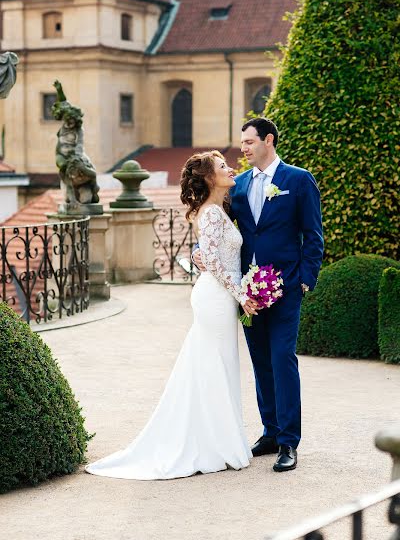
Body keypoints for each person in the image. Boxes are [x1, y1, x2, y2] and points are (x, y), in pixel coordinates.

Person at [85, 150, 257, 480]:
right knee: (214, 366)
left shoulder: (218, 211)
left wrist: (236, 291)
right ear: (209, 178)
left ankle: (221, 441)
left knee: (217, 365)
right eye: (222, 166)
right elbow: (213, 260)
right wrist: (241, 295)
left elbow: (210, 255)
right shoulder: (210, 215)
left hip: (220, 296)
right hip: (216, 297)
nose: (230, 167)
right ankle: (217, 445)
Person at [193, 118, 324, 472]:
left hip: (286, 288)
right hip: (247, 291)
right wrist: (196, 250)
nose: (244, 149)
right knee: (261, 362)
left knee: (283, 359)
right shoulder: (239, 185)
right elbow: (212, 222)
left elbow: (313, 235)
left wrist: (305, 280)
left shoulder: (298, 180)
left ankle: (288, 442)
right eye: (242, 143)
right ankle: (269, 432)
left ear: (269, 140)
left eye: (250, 142)